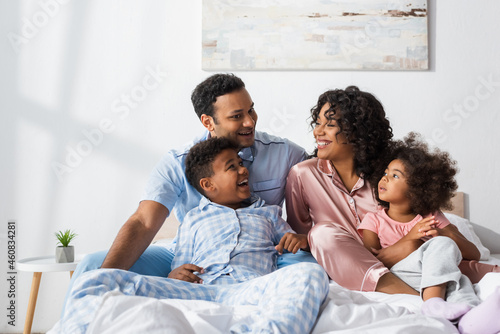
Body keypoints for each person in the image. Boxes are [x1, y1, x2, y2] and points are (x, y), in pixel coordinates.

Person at [59, 137, 328, 334]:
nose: (244, 170)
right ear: (208, 185)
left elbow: (291, 243)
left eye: (241, 164)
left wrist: (301, 240)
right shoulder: (194, 219)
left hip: (247, 288)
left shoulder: (267, 213)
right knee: (94, 280)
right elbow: (181, 259)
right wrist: (175, 274)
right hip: (195, 289)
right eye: (232, 167)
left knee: (311, 276)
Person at [285, 86, 499, 295]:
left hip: (409, 260)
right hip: (348, 261)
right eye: (317, 123)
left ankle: (441, 293)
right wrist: (306, 240)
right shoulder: (302, 175)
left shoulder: (391, 175)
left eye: (329, 125)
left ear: (357, 132)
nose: (317, 131)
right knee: (322, 234)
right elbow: (300, 235)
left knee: (460, 261)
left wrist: (429, 240)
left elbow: (444, 239)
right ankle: (417, 299)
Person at [357, 133, 500, 333]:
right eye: (386, 173)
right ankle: (433, 303)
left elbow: (474, 254)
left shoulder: (431, 216)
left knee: (457, 277)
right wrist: (412, 237)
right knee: (451, 268)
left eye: (395, 175)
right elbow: (370, 262)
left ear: (416, 189)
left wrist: (445, 234)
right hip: (399, 275)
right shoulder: (373, 220)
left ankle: (472, 319)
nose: (385, 178)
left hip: (433, 274)